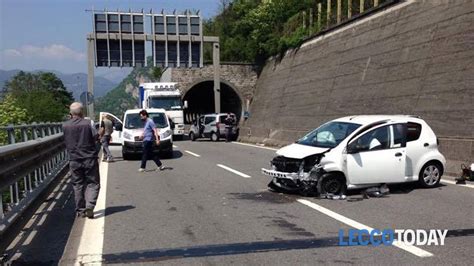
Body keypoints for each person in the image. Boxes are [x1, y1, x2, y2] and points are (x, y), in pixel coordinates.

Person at [63, 102, 100, 219]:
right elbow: (95, 137)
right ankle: (90, 205)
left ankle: (80, 210)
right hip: (89, 158)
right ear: (82, 112)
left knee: (77, 184)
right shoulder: (89, 123)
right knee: (93, 183)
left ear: (70, 113)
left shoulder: (65, 125)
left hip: (74, 159)